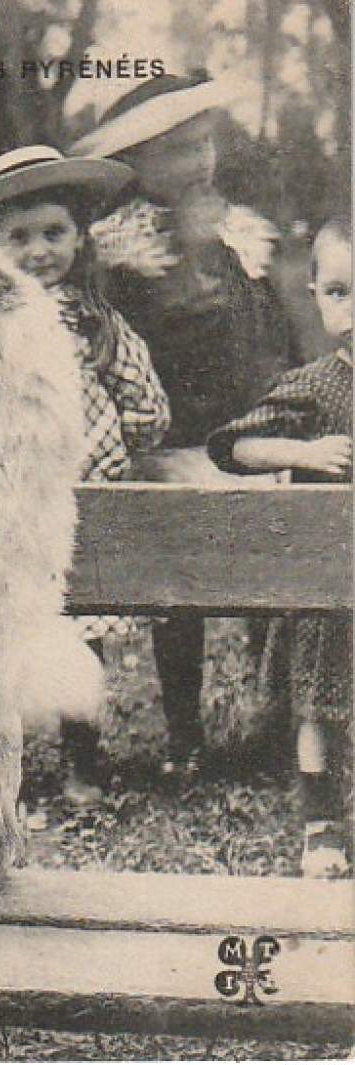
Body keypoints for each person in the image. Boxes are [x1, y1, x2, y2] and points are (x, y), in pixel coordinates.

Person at [71, 73, 301, 776]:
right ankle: (181, 732)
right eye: (174, 150)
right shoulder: (115, 250)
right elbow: (138, 343)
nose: (197, 162)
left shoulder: (233, 229)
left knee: (277, 579)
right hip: (165, 443)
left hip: (243, 432)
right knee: (176, 596)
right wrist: (190, 258)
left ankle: (279, 720)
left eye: (201, 144)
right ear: (133, 163)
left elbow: (271, 329)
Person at [0, 145, 170, 807]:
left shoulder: (98, 324)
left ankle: (82, 762)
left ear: (76, 237)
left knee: (79, 630)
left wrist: (119, 443)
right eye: (18, 238)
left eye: (52, 233)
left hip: (77, 502)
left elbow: (145, 403)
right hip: (1, 502)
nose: (38, 251)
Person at [208, 219, 352, 876]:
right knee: (318, 706)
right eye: (339, 292)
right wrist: (302, 451)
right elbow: (232, 445)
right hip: (327, 587)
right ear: (317, 296)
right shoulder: (317, 384)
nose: (351, 310)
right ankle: (319, 824)